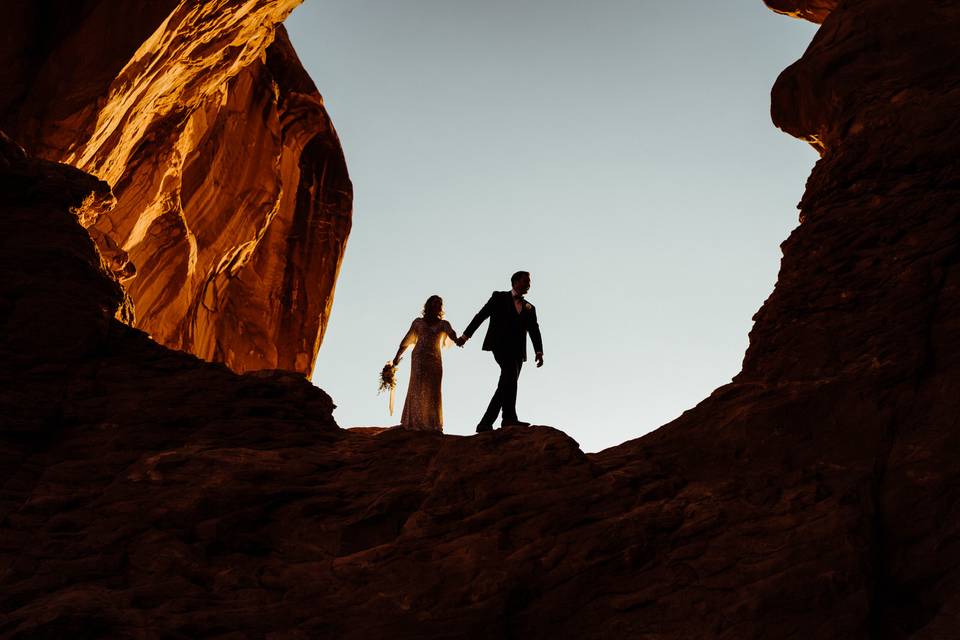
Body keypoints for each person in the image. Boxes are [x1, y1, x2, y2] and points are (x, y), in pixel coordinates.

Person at [457, 271, 543, 432]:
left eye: (529, 282)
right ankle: (498, 420)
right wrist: (465, 336)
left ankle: (501, 420)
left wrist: (538, 351)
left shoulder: (530, 308)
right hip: (500, 346)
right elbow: (481, 316)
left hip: (518, 351)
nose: (528, 284)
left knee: (508, 382)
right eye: (526, 281)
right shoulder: (499, 297)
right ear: (515, 282)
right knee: (509, 378)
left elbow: (534, 330)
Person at [392, 295, 460, 431]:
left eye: (439, 304)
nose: (436, 305)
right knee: (417, 387)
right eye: (434, 303)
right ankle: (414, 421)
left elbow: (452, 334)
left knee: (433, 389)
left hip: (435, 359)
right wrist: (397, 357)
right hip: (419, 358)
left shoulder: (444, 324)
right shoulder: (418, 322)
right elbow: (408, 340)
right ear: (428, 305)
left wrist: (458, 338)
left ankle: (432, 424)